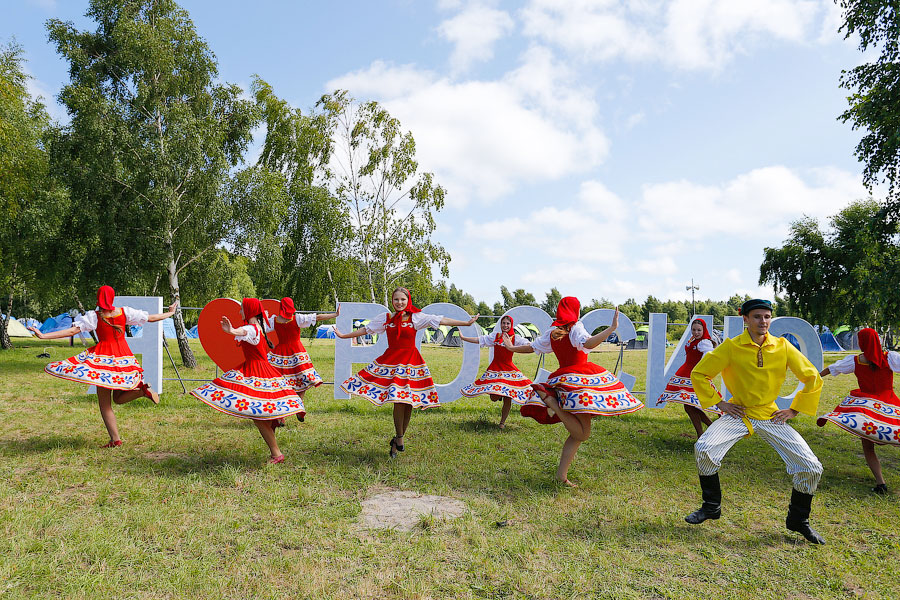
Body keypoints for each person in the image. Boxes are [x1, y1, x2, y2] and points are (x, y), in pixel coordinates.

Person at [686, 298, 826, 544]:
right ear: (746, 319)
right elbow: (699, 373)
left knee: (811, 466)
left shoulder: (782, 346)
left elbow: (812, 376)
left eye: (767, 316)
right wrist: (720, 403)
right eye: (757, 316)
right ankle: (711, 506)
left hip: (770, 415)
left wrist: (794, 410)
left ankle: (798, 520)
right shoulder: (731, 347)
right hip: (739, 413)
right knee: (705, 448)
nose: (763, 321)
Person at [503, 297, 643, 486]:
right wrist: (611, 329)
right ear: (575, 311)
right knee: (583, 434)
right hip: (580, 382)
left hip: (565, 380)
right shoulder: (576, 327)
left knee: (579, 434)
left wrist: (511, 347)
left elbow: (532, 347)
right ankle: (552, 404)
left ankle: (561, 476)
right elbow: (589, 343)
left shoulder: (553, 331)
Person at [336, 287, 478, 457]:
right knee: (398, 399)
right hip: (393, 362)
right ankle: (400, 438)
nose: (399, 302)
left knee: (409, 402)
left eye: (403, 299)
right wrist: (344, 336)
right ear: (392, 300)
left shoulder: (416, 317)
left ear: (408, 300)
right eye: (396, 299)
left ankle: (397, 439)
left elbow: (440, 320)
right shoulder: (386, 318)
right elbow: (366, 330)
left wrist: (466, 323)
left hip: (411, 363)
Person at [30, 285, 177, 447]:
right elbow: (151, 318)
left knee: (105, 404)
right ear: (112, 298)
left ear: (98, 298)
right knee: (118, 398)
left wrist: (44, 335)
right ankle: (143, 391)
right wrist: (170, 313)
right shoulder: (124, 312)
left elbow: (71, 332)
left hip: (103, 361)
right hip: (123, 359)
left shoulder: (94, 316)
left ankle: (116, 440)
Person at [191, 298, 305, 464]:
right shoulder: (259, 326)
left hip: (256, 371)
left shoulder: (251, 328)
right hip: (261, 369)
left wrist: (231, 330)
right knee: (260, 413)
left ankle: (276, 453)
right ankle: (274, 444)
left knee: (257, 415)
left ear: (250, 311)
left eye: (242, 309)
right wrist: (233, 331)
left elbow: (243, 331)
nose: (240, 312)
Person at [818, 327, 900, 494]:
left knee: (868, 446)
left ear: (862, 343)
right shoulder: (889, 357)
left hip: (866, 408)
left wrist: (815, 377)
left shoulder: (855, 361)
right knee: (895, 434)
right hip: (888, 405)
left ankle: (881, 483)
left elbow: (833, 368)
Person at [266, 297, 339, 423]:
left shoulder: (274, 320)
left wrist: (266, 339)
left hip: (280, 354)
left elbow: (259, 327)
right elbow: (318, 317)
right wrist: (335, 314)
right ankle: (299, 406)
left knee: (280, 383)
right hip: (297, 353)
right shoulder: (297, 318)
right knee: (303, 378)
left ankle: (281, 417)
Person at [459, 315, 534, 428]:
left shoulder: (515, 338)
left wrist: (535, 346)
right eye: (503, 323)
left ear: (511, 325)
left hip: (508, 369)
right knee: (493, 398)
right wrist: (464, 338)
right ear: (500, 324)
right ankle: (499, 395)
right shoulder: (495, 336)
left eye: (508, 323)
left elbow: (528, 345)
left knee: (508, 398)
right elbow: (480, 340)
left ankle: (502, 423)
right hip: (495, 368)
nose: (505, 325)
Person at [655, 318, 722, 437]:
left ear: (704, 330)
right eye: (694, 330)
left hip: (693, 375)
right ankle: (707, 431)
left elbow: (708, 357)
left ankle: (706, 432)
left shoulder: (704, 342)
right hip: (685, 373)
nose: (696, 332)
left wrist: (701, 370)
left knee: (690, 406)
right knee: (690, 406)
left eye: (699, 330)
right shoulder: (693, 339)